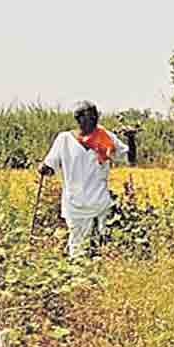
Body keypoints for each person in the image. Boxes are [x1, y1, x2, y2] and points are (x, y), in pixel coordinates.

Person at [38, 101, 135, 258]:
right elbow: (50, 167)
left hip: (101, 204)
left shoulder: (106, 137)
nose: (95, 119)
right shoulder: (64, 140)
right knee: (78, 250)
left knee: (104, 248)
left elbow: (130, 159)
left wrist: (131, 139)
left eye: (96, 115)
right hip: (75, 206)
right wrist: (43, 169)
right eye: (90, 116)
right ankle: (79, 280)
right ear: (78, 119)